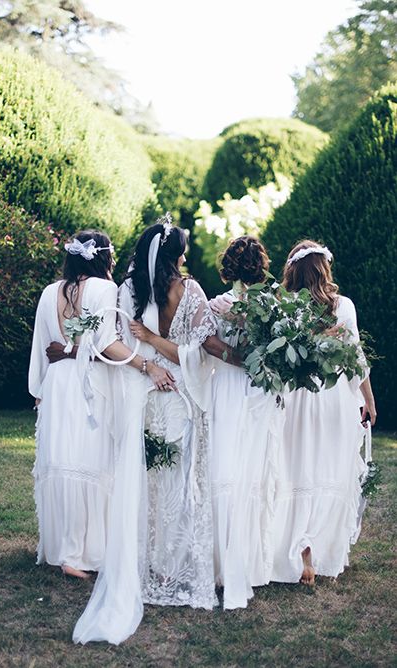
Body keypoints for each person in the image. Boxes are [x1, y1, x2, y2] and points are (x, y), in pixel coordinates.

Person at [74, 217, 226, 645]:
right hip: (178, 393)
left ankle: (151, 565)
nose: (186, 255)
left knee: (149, 482)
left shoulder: (128, 289)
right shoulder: (190, 291)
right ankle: (172, 566)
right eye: (182, 248)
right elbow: (199, 350)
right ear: (174, 254)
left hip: (145, 392)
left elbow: (121, 342)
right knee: (179, 480)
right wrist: (162, 356)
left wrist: (147, 353)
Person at [28, 229, 172, 580]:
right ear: (105, 257)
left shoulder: (49, 293)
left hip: (59, 382)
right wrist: (146, 364)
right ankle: (81, 553)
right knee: (90, 461)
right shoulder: (106, 289)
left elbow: (40, 348)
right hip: (89, 383)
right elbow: (107, 343)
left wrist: (40, 391)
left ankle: (61, 549)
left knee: (61, 460)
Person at [270, 240, 376, 586]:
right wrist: (369, 400)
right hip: (331, 396)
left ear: (293, 271)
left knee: (296, 467)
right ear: (323, 268)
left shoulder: (285, 306)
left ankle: (303, 557)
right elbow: (356, 358)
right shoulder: (343, 306)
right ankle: (319, 547)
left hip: (298, 396)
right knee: (326, 467)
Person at [207, 236, 284, 609]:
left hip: (226, 386)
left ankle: (222, 563)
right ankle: (247, 563)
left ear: (229, 267)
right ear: (260, 265)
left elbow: (205, 343)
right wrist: (248, 360)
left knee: (225, 467)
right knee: (249, 470)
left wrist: (232, 357)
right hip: (256, 389)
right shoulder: (271, 305)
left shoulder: (216, 303)